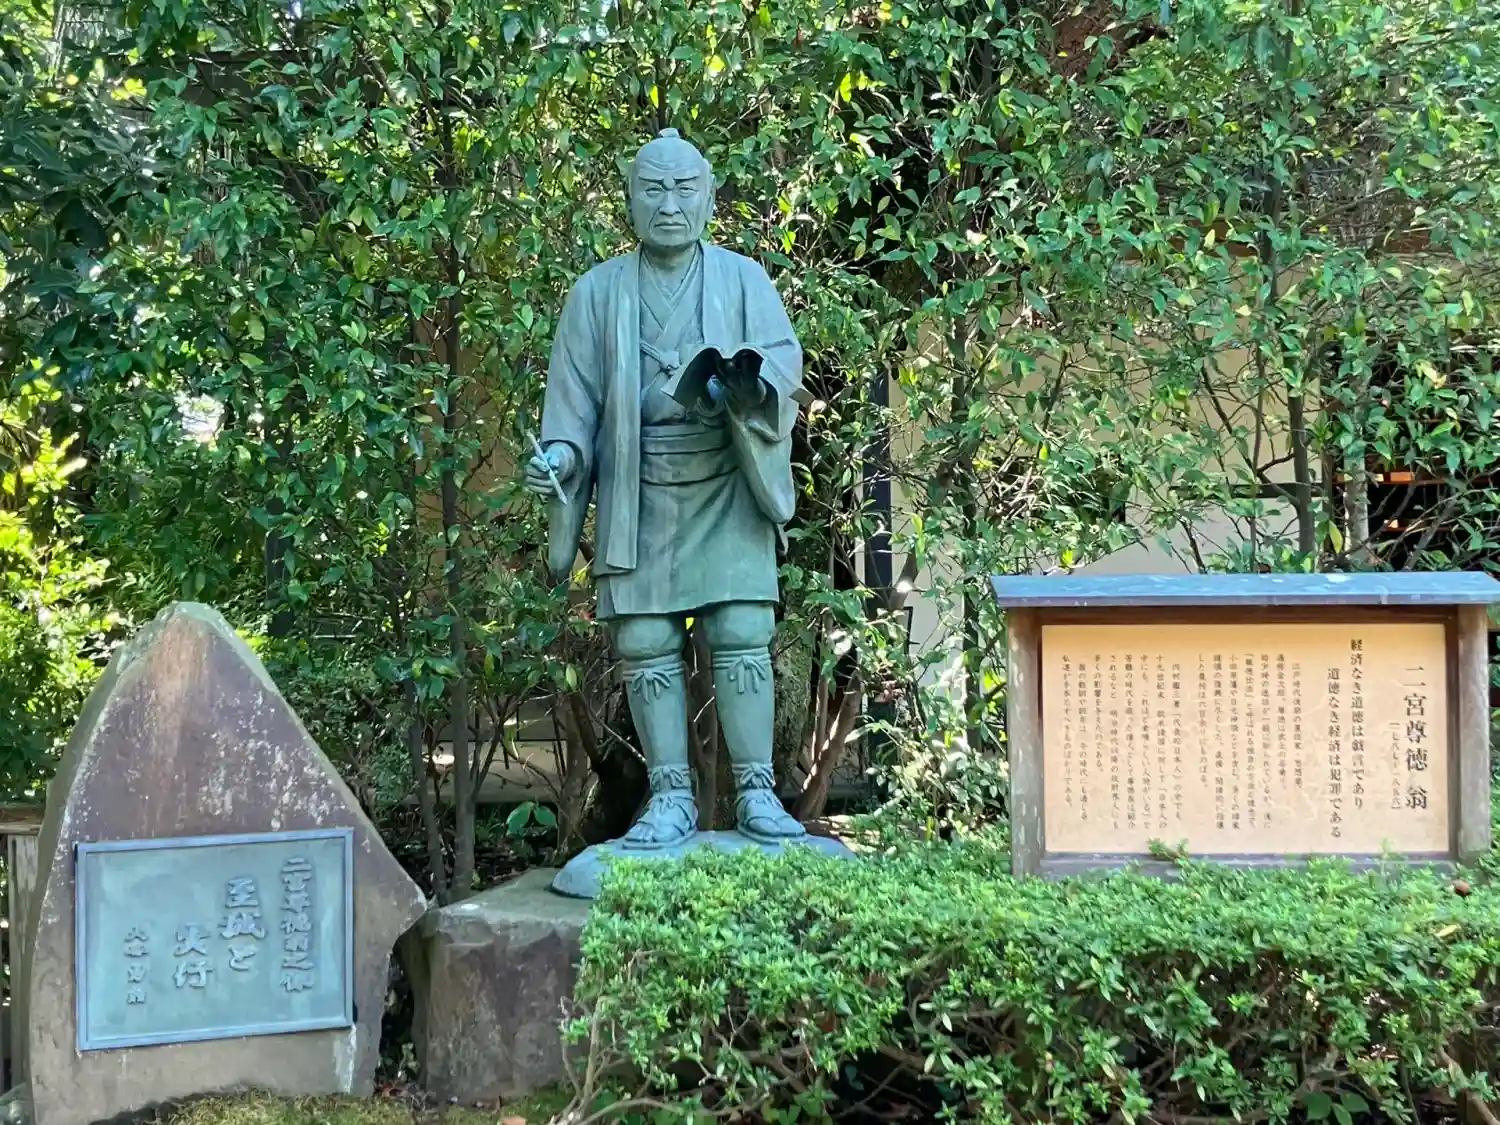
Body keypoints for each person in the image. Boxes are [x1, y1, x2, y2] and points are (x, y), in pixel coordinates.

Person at [523, 128, 810, 848]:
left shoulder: (744, 279)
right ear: (630, 201)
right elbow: (572, 407)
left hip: (727, 480)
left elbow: (784, 363)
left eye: (685, 190)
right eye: (653, 190)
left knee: (741, 629)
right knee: (647, 637)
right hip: (640, 487)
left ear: (709, 199)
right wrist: (560, 457)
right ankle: (671, 797)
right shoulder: (596, 294)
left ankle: (757, 793)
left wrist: (750, 387)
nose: (670, 205)